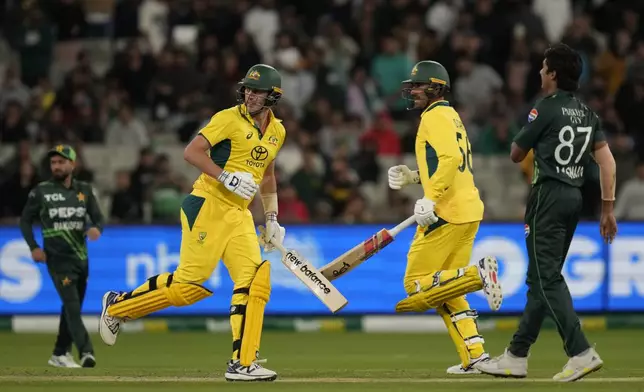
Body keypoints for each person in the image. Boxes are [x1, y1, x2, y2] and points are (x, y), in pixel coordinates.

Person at [98, 64, 287, 382]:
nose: (251, 96)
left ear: (274, 96)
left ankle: (242, 363)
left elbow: (267, 175)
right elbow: (192, 152)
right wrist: (225, 176)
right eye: (248, 89)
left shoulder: (277, 131)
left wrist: (271, 217)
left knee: (255, 280)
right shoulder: (228, 118)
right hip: (207, 205)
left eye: (259, 91)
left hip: (239, 214)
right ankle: (117, 306)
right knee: (188, 287)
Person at [475, 43, 618, 382]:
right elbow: (608, 163)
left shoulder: (544, 108)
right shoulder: (588, 114)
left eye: (543, 68)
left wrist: (525, 135)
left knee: (547, 278)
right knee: (541, 279)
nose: (539, 72)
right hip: (574, 197)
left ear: (553, 74)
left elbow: (514, 154)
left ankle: (581, 352)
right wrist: (608, 209)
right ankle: (516, 356)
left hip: (548, 196)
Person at [387, 60, 502, 374]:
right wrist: (414, 176)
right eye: (410, 86)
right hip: (468, 210)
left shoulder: (433, 117)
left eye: (418, 85)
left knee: (415, 284)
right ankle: (475, 357)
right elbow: (450, 162)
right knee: (446, 290)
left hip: (447, 213)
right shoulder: (451, 115)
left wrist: (429, 198)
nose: (411, 91)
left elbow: (450, 159)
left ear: (436, 87)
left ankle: (478, 275)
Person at [20, 144, 104, 368]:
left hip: (81, 258)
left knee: (71, 307)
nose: (56, 166)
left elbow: (98, 218)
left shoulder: (84, 190)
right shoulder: (41, 191)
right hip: (57, 259)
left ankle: (59, 353)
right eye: (53, 163)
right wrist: (33, 247)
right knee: (72, 305)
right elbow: (25, 220)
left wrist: (96, 229)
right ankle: (86, 351)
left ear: (72, 164)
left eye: (61, 162)